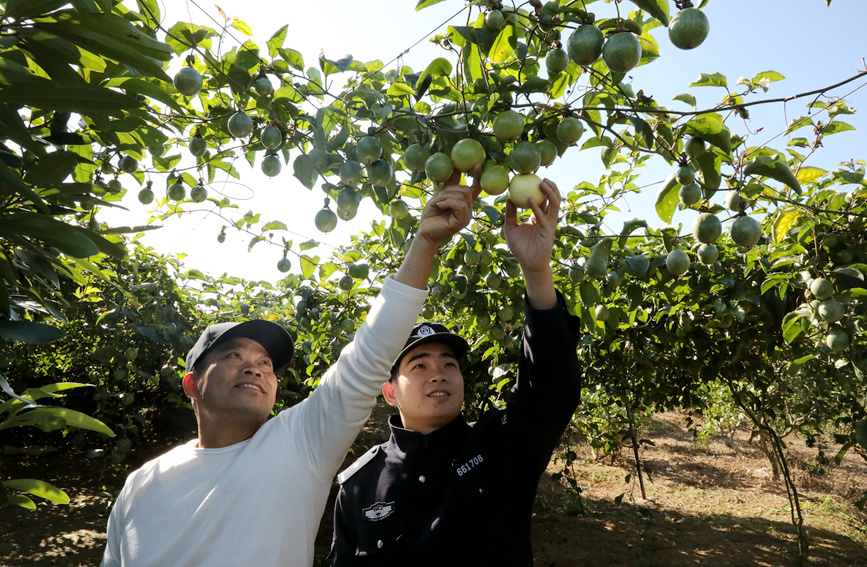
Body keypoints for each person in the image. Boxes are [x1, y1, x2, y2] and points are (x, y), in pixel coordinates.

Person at [99, 168, 482, 567]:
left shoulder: (298, 443)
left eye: (265, 363)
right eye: (234, 356)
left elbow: (369, 355)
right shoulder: (141, 484)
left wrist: (424, 242)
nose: (255, 368)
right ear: (192, 383)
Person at [329, 178, 582, 566]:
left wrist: (536, 271)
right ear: (390, 392)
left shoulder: (500, 445)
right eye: (420, 366)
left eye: (449, 364)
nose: (439, 374)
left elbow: (550, 387)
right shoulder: (360, 484)